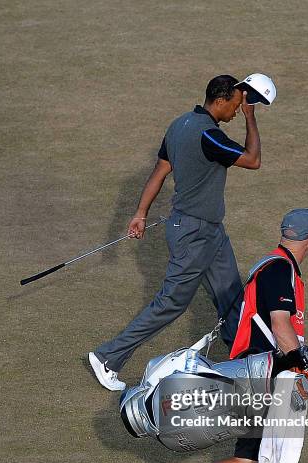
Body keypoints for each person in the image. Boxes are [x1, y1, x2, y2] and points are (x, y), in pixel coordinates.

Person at [153, 209, 308, 463]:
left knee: (258, 455)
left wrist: (307, 361)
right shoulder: (280, 270)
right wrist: (305, 365)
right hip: (264, 377)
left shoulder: (276, 266)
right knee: (266, 454)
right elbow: (281, 326)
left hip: (265, 373)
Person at [89, 75, 262, 391]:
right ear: (220, 101)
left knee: (231, 295)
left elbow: (159, 173)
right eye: (237, 105)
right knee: (172, 303)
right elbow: (253, 160)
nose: (238, 111)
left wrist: (140, 213)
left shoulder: (179, 124)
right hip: (195, 234)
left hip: (208, 232)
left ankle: (250, 360)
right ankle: (107, 357)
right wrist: (252, 120)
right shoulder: (210, 135)